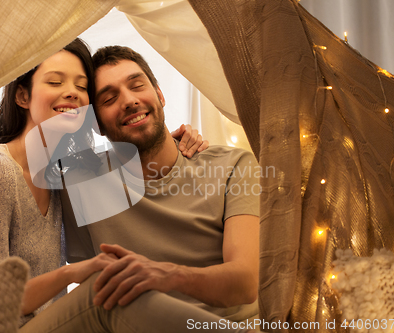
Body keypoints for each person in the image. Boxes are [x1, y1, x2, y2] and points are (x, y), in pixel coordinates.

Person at [0, 38, 240, 332]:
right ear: (23, 96)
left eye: (81, 86)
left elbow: (147, 146)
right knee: (105, 295)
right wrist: (75, 272)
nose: (71, 93)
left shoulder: (63, 175)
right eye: (55, 82)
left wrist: (183, 140)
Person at [62, 45, 260, 324]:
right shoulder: (82, 181)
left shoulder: (233, 166)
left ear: (159, 94)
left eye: (137, 85)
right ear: (96, 125)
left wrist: (165, 275)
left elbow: (245, 283)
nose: (129, 101)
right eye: (109, 99)